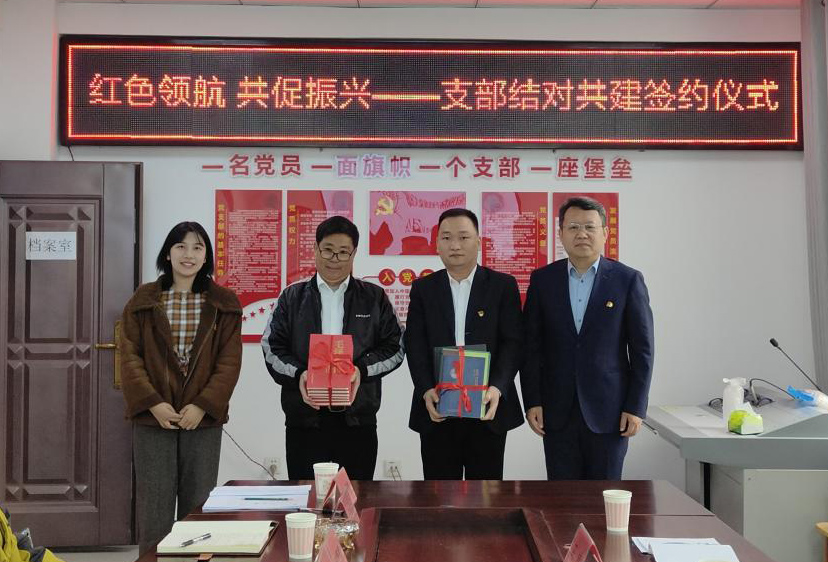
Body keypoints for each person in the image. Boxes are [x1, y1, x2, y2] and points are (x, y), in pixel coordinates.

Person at [120, 222, 242, 555]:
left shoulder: (224, 303)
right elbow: (129, 356)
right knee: (154, 510)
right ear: (168, 254)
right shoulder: (143, 300)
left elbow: (229, 363)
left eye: (197, 248)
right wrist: (153, 403)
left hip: (201, 420)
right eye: (181, 246)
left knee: (198, 509)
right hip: (153, 419)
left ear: (206, 256)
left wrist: (202, 405)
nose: (189, 255)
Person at [521, 197, 654, 480]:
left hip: (610, 412)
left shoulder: (627, 280)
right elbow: (531, 347)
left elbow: (642, 350)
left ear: (605, 233)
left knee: (605, 494)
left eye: (590, 227)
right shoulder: (543, 281)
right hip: (557, 410)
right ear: (560, 234)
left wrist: (636, 406)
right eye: (573, 227)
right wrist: (532, 401)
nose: (582, 234)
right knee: (562, 496)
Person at [262, 216, 404, 480]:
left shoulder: (374, 297)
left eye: (343, 252)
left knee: (355, 497)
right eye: (327, 250)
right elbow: (272, 347)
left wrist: (361, 370)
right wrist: (300, 374)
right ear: (315, 249)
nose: (334, 259)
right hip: (304, 418)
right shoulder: (292, 297)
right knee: (306, 496)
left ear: (354, 254)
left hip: (357, 418)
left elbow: (394, 347)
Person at [405, 208, 524, 480]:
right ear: (437, 244)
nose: (455, 245)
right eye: (446, 238)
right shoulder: (424, 289)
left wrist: (497, 387)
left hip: (487, 407)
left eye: (463, 237)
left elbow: (513, 342)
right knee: (439, 492)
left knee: (486, 493)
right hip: (437, 406)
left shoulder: (502, 286)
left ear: (478, 242)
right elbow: (415, 344)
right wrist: (426, 389)